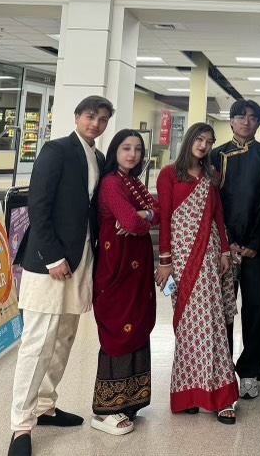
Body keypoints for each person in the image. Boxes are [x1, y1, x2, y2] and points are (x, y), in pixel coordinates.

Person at [9, 95, 114, 456]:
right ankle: (21, 426)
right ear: (76, 116)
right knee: (38, 343)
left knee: (65, 337)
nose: (95, 124)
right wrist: (52, 256)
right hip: (50, 262)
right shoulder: (56, 150)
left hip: (81, 260)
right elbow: (38, 204)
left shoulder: (98, 158)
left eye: (102, 119)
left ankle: (45, 405)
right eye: (90, 116)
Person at [155, 123, 238, 423]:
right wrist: (164, 261)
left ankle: (222, 396)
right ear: (189, 140)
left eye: (209, 141)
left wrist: (225, 250)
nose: (204, 145)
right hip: (180, 255)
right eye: (200, 139)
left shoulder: (211, 176)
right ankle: (189, 390)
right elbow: (164, 218)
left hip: (210, 252)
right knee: (187, 324)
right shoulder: (168, 174)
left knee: (212, 322)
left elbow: (218, 215)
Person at [211, 99, 260, 400]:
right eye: (241, 116)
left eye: (253, 118)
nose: (247, 122)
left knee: (257, 308)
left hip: (256, 247)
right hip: (222, 246)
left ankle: (250, 369)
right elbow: (211, 203)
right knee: (224, 308)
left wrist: (254, 242)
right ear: (231, 121)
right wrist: (226, 243)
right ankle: (222, 370)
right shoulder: (215, 155)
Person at [91, 129, 159, 435]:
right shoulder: (111, 184)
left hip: (137, 269)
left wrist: (142, 213)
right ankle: (106, 410)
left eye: (138, 149)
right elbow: (132, 222)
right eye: (126, 148)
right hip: (117, 269)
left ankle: (130, 399)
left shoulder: (133, 182)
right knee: (118, 330)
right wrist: (140, 218)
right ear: (115, 151)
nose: (133, 154)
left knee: (138, 323)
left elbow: (156, 214)